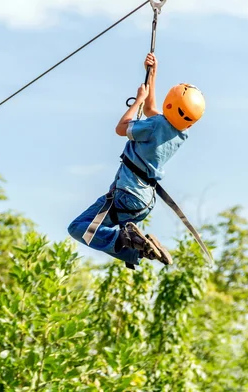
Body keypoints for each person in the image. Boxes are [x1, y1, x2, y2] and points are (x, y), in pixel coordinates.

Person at [67, 53, 206, 269]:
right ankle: (137, 250)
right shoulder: (178, 133)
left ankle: (124, 241)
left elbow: (121, 128)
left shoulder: (153, 126)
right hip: (144, 203)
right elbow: (152, 111)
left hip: (126, 195)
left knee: (78, 228)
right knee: (126, 248)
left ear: (170, 104)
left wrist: (138, 100)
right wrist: (152, 73)